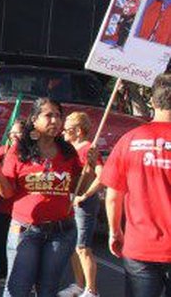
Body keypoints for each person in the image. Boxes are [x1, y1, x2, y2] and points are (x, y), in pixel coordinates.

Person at [0, 98, 82, 297]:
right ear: (34, 119)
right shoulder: (18, 151)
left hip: (62, 232)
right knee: (17, 289)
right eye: (49, 115)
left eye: (58, 115)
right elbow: (7, 193)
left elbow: (77, 188)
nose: (55, 120)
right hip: (25, 231)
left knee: (48, 290)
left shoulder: (68, 152)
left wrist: (89, 169)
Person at [101, 73, 171, 297]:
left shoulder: (129, 140)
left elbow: (113, 195)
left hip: (140, 246)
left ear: (152, 101)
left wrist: (115, 231)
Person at [59, 112, 103, 297]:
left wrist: (84, 195)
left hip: (84, 203)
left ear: (77, 131)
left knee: (83, 247)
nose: (63, 132)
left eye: (67, 129)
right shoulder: (70, 149)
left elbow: (102, 176)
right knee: (73, 246)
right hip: (70, 199)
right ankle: (78, 284)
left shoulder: (88, 149)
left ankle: (91, 289)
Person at [0, 118, 25, 287]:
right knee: (3, 243)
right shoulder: (3, 150)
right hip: (2, 207)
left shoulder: (30, 153)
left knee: (22, 246)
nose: (14, 135)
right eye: (12, 132)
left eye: (18, 131)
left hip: (20, 209)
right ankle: (4, 273)